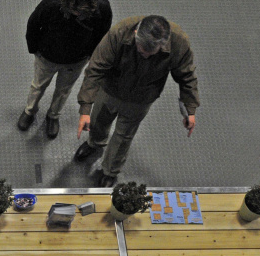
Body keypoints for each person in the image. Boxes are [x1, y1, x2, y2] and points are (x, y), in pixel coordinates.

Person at [73, 15, 200, 187]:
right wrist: (85, 108)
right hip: (110, 89)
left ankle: (111, 171)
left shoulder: (179, 42)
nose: (145, 56)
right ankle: (94, 143)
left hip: (141, 98)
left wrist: (189, 109)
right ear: (135, 34)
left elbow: (186, 76)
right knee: (97, 120)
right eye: (141, 51)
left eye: (151, 54)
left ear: (163, 45)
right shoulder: (119, 33)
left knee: (124, 136)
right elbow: (95, 69)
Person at [18, 0, 112, 139]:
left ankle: (53, 115)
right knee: (38, 86)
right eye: (72, 9)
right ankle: (30, 111)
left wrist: (89, 54)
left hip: (75, 61)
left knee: (64, 90)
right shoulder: (51, 4)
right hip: (47, 57)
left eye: (80, 11)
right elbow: (33, 24)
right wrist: (35, 50)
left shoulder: (102, 9)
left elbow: (102, 35)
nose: (75, 13)